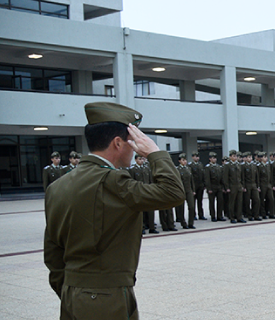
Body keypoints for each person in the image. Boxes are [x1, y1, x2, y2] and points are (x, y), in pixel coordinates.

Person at [44, 101, 185, 319]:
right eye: (133, 142)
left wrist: (73, 289)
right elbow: (173, 193)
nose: (136, 148)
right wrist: (155, 153)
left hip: (72, 294)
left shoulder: (57, 187)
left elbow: (53, 254)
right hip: (106, 298)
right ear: (118, 143)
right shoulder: (113, 180)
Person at [175, 153, 197, 229]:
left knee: (191, 206)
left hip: (189, 190)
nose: (185, 161)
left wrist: (193, 190)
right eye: (183, 160)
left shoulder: (188, 168)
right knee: (181, 208)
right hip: (181, 190)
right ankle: (183, 223)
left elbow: (192, 180)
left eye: (185, 160)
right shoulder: (177, 170)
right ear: (179, 161)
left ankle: (191, 223)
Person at [189, 152, 207, 220]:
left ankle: (201, 214)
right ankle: (193, 215)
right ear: (192, 157)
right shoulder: (190, 165)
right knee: (193, 201)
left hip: (200, 185)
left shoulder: (200, 164)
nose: (197, 158)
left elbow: (203, 175)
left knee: (200, 201)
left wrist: (204, 184)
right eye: (195, 156)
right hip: (194, 185)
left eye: (198, 156)